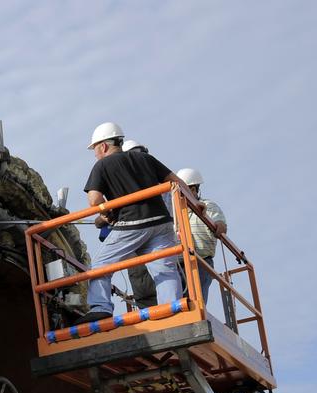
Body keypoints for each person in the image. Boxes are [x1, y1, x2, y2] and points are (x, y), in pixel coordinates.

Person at [81, 122, 192, 323]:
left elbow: (94, 200)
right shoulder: (145, 158)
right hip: (161, 222)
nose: (95, 154)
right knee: (164, 269)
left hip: (132, 223)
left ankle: (100, 307)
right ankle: (172, 309)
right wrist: (197, 204)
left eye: (95, 149)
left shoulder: (102, 165)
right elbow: (177, 183)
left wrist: (107, 213)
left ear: (103, 146)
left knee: (100, 266)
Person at [176, 167, 228, 299]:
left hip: (201, 260)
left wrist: (219, 227)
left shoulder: (208, 206)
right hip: (178, 262)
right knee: (177, 301)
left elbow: (221, 226)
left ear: (194, 190)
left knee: (196, 300)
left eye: (186, 189)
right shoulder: (175, 212)